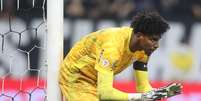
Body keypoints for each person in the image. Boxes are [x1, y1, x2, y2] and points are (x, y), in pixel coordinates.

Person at [59, 10, 182, 101]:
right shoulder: (112, 47)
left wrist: (157, 94)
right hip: (77, 77)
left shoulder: (144, 49)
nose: (157, 45)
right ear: (139, 35)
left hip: (98, 80)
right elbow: (105, 93)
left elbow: (142, 86)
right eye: (153, 40)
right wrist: (144, 97)